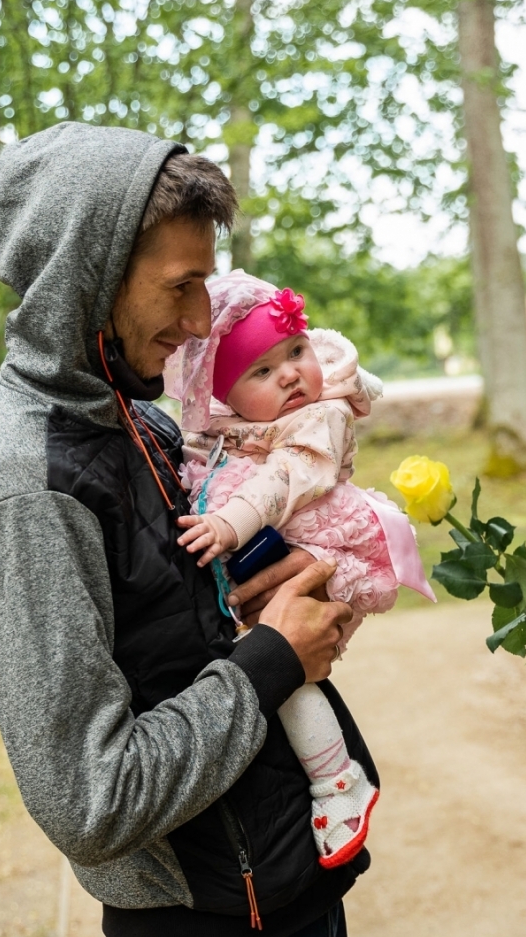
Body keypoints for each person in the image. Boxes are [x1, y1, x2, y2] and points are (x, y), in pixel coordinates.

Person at [0, 121, 367, 937]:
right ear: (80, 275)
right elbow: (88, 800)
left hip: (298, 903)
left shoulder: (140, 417)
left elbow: (206, 625)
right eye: (179, 288)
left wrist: (291, 583)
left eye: (205, 288)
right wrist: (270, 664)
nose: (195, 324)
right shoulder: (22, 481)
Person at [165, 269, 435, 866]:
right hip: (286, 549)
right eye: (261, 371)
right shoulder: (236, 426)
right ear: (226, 398)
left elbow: (287, 476)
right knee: (283, 669)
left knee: (284, 669)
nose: (289, 373)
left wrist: (227, 523)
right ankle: (332, 777)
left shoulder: (320, 418)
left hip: (334, 544)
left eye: (295, 352)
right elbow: (210, 456)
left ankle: (338, 781)